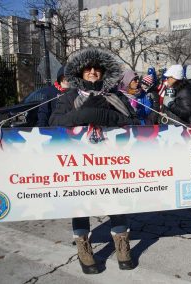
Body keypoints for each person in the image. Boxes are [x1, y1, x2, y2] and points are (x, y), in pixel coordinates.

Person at [49, 47, 139, 274]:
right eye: (87, 68)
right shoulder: (69, 97)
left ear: (103, 72)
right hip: (78, 163)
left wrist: (106, 115)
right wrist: (85, 115)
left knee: (117, 201)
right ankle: (84, 248)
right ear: (80, 72)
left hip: (112, 162)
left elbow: (134, 122)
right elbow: (54, 123)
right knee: (80, 202)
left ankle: (121, 245)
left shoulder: (115, 96)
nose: (92, 72)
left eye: (97, 68)